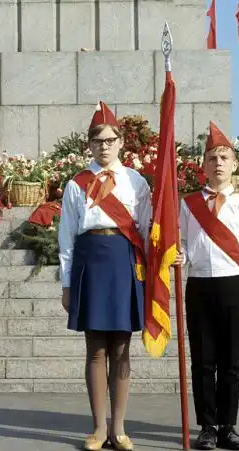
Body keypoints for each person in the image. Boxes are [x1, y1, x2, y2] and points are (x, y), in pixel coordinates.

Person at [58, 101, 152, 451]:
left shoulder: (135, 182)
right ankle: (99, 428)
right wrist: (67, 283)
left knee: (122, 348)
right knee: (96, 348)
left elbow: (146, 230)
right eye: (98, 141)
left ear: (121, 143)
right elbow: (67, 237)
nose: (104, 147)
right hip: (91, 264)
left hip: (124, 264)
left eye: (111, 140)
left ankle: (120, 428)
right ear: (90, 144)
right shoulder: (76, 184)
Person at [175, 122, 239, 450]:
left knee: (230, 362)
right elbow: (184, 244)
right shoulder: (188, 204)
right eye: (212, 158)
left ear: (235, 164)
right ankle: (207, 427)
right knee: (203, 361)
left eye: (224, 157)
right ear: (203, 164)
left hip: (233, 286)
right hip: (199, 285)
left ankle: (228, 425)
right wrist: (179, 256)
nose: (218, 163)